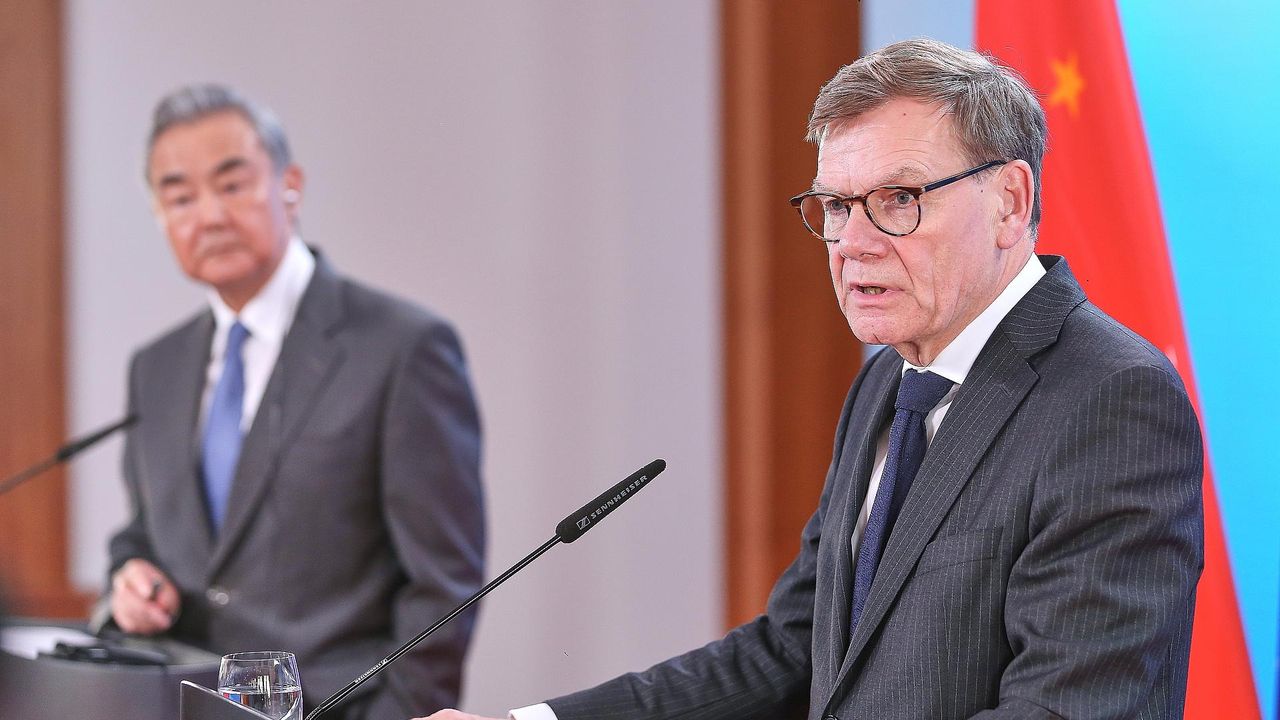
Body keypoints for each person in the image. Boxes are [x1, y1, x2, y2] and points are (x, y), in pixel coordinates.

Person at [419, 38, 1203, 720]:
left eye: (897, 200)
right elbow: (792, 651)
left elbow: (1066, 707)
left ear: (1009, 200)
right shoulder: (888, 385)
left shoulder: (1110, 399)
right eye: (835, 205)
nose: (852, 242)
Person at [102, 84, 486, 720]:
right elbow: (146, 530)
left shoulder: (401, 348)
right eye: (181, 197)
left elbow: (444, 586)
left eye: (232, 184)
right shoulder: (156, 367)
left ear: (291, 186)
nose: (210, 215)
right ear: (160, 216)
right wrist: (132, 579)